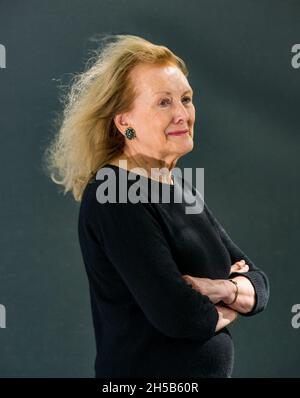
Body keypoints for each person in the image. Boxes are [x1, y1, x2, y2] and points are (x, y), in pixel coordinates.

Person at [44, 34, 270, 378]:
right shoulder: (115, 195)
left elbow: (259, 284)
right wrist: (232, 304)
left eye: (186, 99)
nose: (182, 114)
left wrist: (221, 289)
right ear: (125, 122)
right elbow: (180, 314)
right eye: (164, 103)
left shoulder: (177, 187)